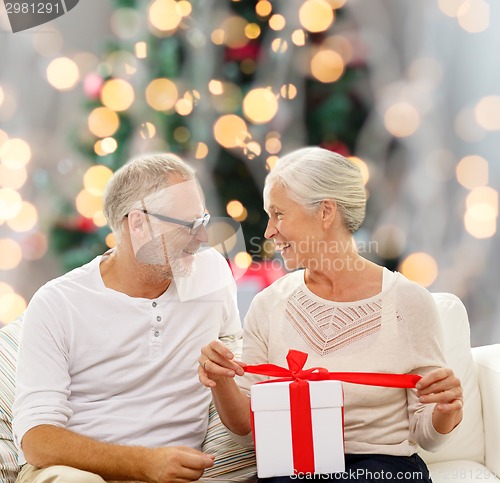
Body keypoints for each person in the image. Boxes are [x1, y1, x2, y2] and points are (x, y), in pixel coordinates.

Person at [199, 147, 463, 482]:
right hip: (294, 468)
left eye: (279, 214)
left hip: (383, 468)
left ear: (325, 212)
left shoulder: (408, 302)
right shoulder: (268, 304)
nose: (268, 231)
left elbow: (427, 434)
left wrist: (446, 409)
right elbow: (247, 430)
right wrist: (220, 380)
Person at [13, 153, 242, 483]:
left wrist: (222, 375)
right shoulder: (58, 303)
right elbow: (37, 440)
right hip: (75, 472)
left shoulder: (212, 276)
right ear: (138, 224)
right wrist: (144, 463)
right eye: (189, 225)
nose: (203, 238)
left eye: (203, 222)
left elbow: (240, 407)